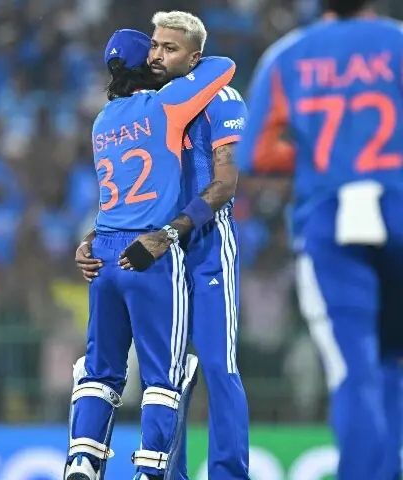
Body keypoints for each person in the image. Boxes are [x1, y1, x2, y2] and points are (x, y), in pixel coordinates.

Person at [76, 11, 250, 479]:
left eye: (169, 49)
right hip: (157, 251)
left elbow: (225, 184)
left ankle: (229, 473)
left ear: (195, 59)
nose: (156, 55)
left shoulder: (220, 99)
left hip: (206, 247)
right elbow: (130, 193)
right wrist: (96, 239)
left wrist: (171, 232)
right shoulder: (153, 104)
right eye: (153, 45)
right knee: (171, 368)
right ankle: (171, 472)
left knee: (217, 364)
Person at [237, 0, 403, 478]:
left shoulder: (288, 54)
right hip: (398, 203)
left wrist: (320, 159)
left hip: (330, 221)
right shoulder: (397, 41)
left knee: (354, 372)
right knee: (393, 365)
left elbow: (254, 154)